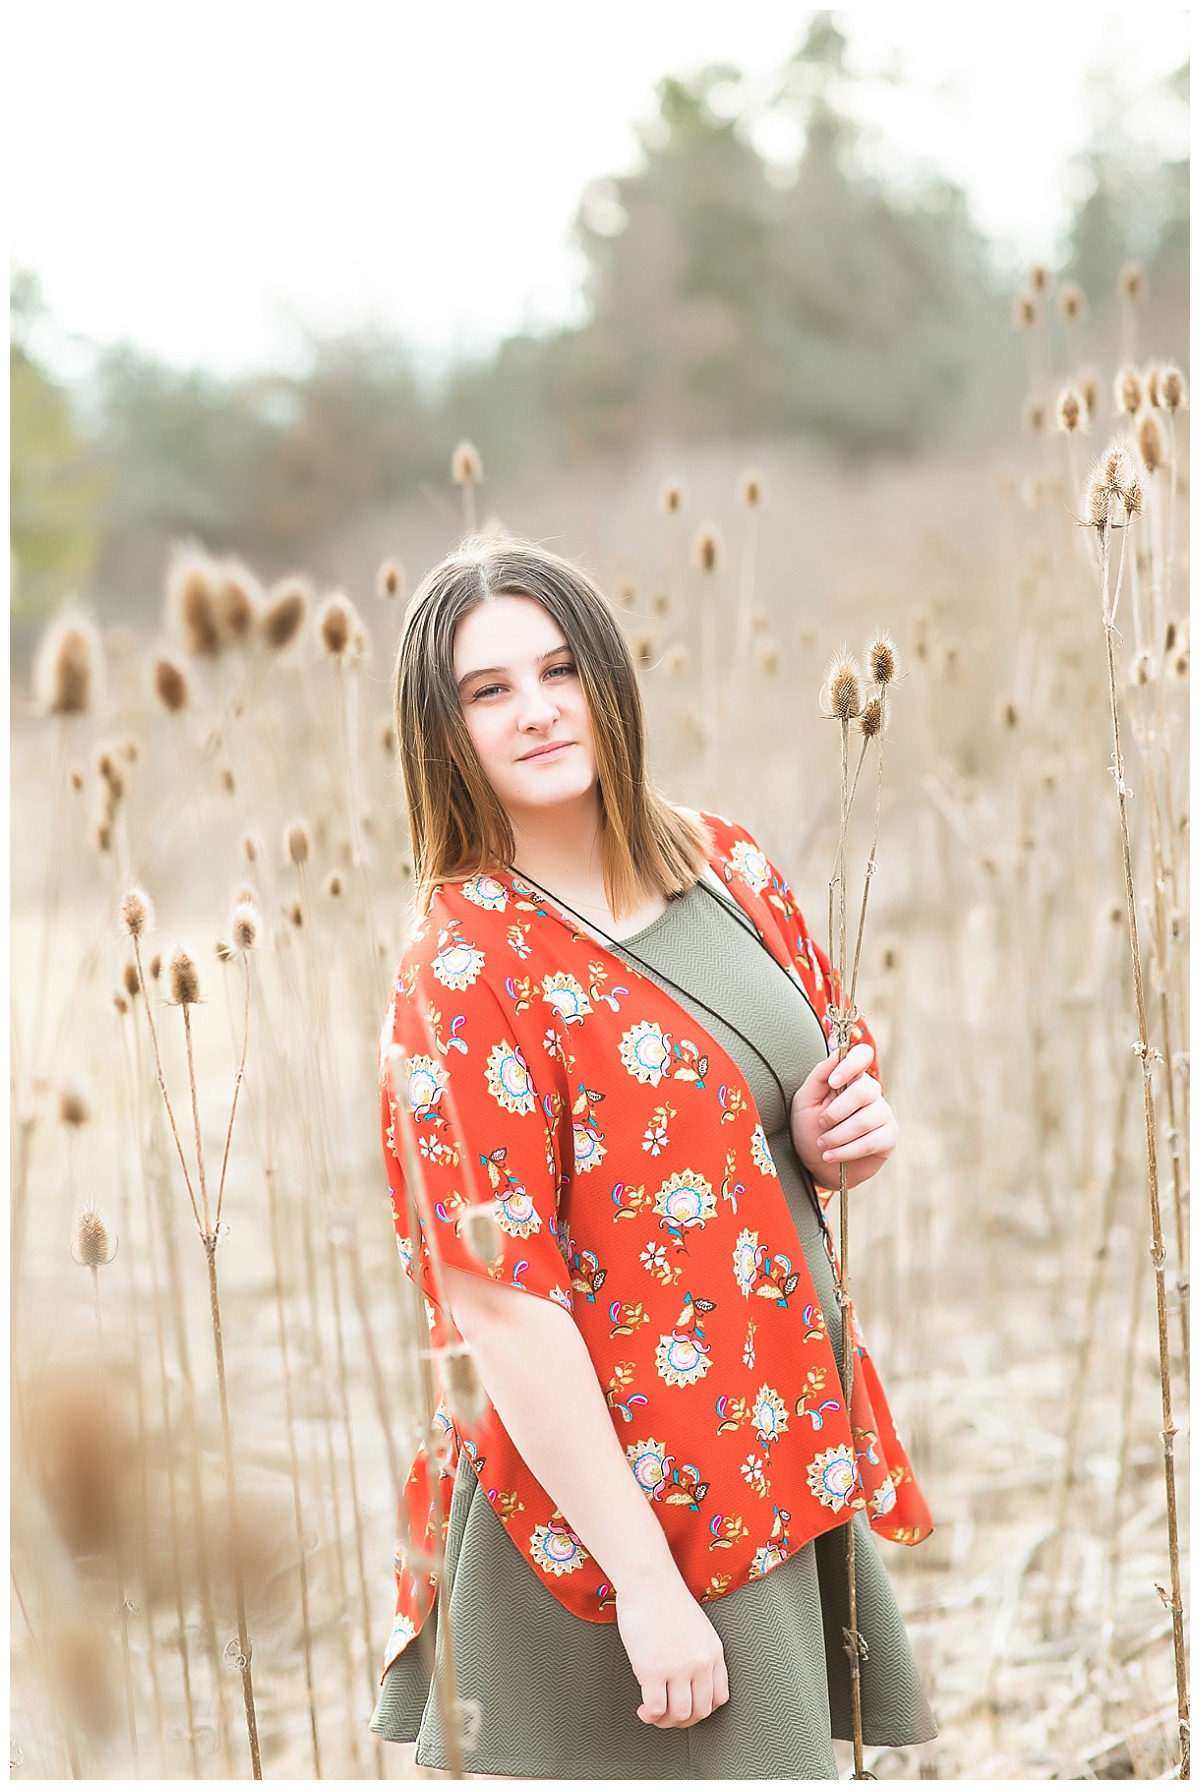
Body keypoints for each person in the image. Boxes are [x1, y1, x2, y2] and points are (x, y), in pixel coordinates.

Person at [371, 536, 936, 1779]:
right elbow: (500, 1304)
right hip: (608, 1517)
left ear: (609, 680)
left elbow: (799, 1099)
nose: (536, 711)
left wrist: (838, 1140)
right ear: (442, 731)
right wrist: (644, 1584)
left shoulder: (725, 863)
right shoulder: (463, 971)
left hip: (769, 1453)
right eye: (488, 690)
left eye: (559, 669)